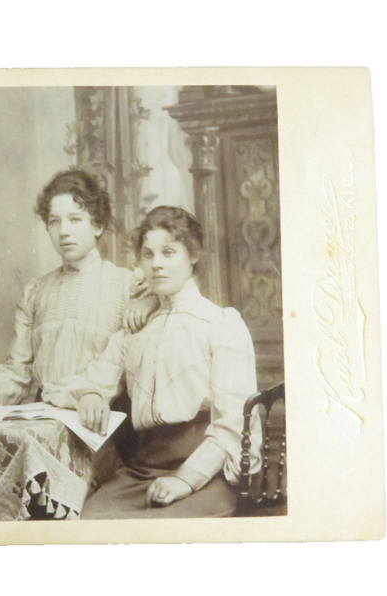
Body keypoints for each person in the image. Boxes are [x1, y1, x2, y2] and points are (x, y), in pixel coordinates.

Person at [47, 205, 261, 518]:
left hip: (205, 474)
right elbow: (77, 384)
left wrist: (186, 479)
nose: (156, 264)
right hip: (141, 473)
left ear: (193, 256)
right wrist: (89, 394)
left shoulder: (221, 324)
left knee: (158, 529)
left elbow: (235, 422)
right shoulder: (134, 330)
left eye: (168, 252)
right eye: (148, 255)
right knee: (88, 521)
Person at [0, 169, 133, 412]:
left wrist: (85, 396)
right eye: (54, 221)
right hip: (46, 419)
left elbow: (118, 370)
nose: (64, 231)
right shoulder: (36, 291)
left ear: (97, 225)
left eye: (75, 219)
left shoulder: (126, 286)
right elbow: (18, 372)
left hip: (102, 421)